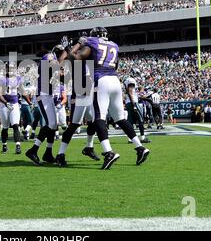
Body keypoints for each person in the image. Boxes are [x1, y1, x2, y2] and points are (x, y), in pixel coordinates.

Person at [60, 27, 150, 169]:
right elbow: (117, 64)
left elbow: (75, 58)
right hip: (115, 80)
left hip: (100, 80)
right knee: (120, 118)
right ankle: (140, 147)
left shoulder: (92, 43)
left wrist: (71, 46)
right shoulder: (113, 45)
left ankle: (108, 152)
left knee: (99, 118)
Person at [55, 35, 99, 167]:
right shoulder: (76, 56)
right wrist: (67, 49)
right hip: (79, 92)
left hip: (88, 91)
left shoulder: (86, 55)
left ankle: (89, 147)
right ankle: (60, 154)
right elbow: (62, 64)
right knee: (74, 125)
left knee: (94, 122)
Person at [0, 62, 31, 154]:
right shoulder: (2, 79)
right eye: (8, 68)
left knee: (16, 125)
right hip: (4, 105)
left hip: (14, 104)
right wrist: (5, 102)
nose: (10, 70)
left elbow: (23, 92)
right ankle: (4, 145)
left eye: (12, 68)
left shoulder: (17, 79)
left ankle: (18, 145)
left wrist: (29, 102)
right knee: (5, 127)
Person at [124, 75, 151, 144]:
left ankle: (130, 139)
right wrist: (134, 105)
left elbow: (133, 95)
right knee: (140, 120)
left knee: (130, 122)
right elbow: (130, 94)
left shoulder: (128, 87)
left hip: (129, 103)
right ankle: (142, 137)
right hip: (133, 103)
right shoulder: (130, 85)